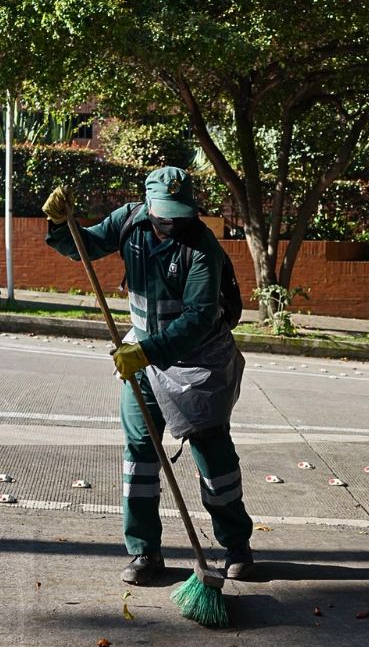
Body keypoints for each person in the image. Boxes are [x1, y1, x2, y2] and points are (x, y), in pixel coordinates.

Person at [43, 167, 255, 585]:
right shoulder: (129, 221)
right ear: (148, 205)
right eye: (164, 213)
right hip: (141, 355)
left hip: (197, 363)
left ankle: (237, 545)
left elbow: (198, 319)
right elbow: (85, 246)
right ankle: (145, 551)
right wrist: (61, 224)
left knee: (214, 459)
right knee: (140, 455)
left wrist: (146, 352)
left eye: (179, 213)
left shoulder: (202, 248)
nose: (171, 222)